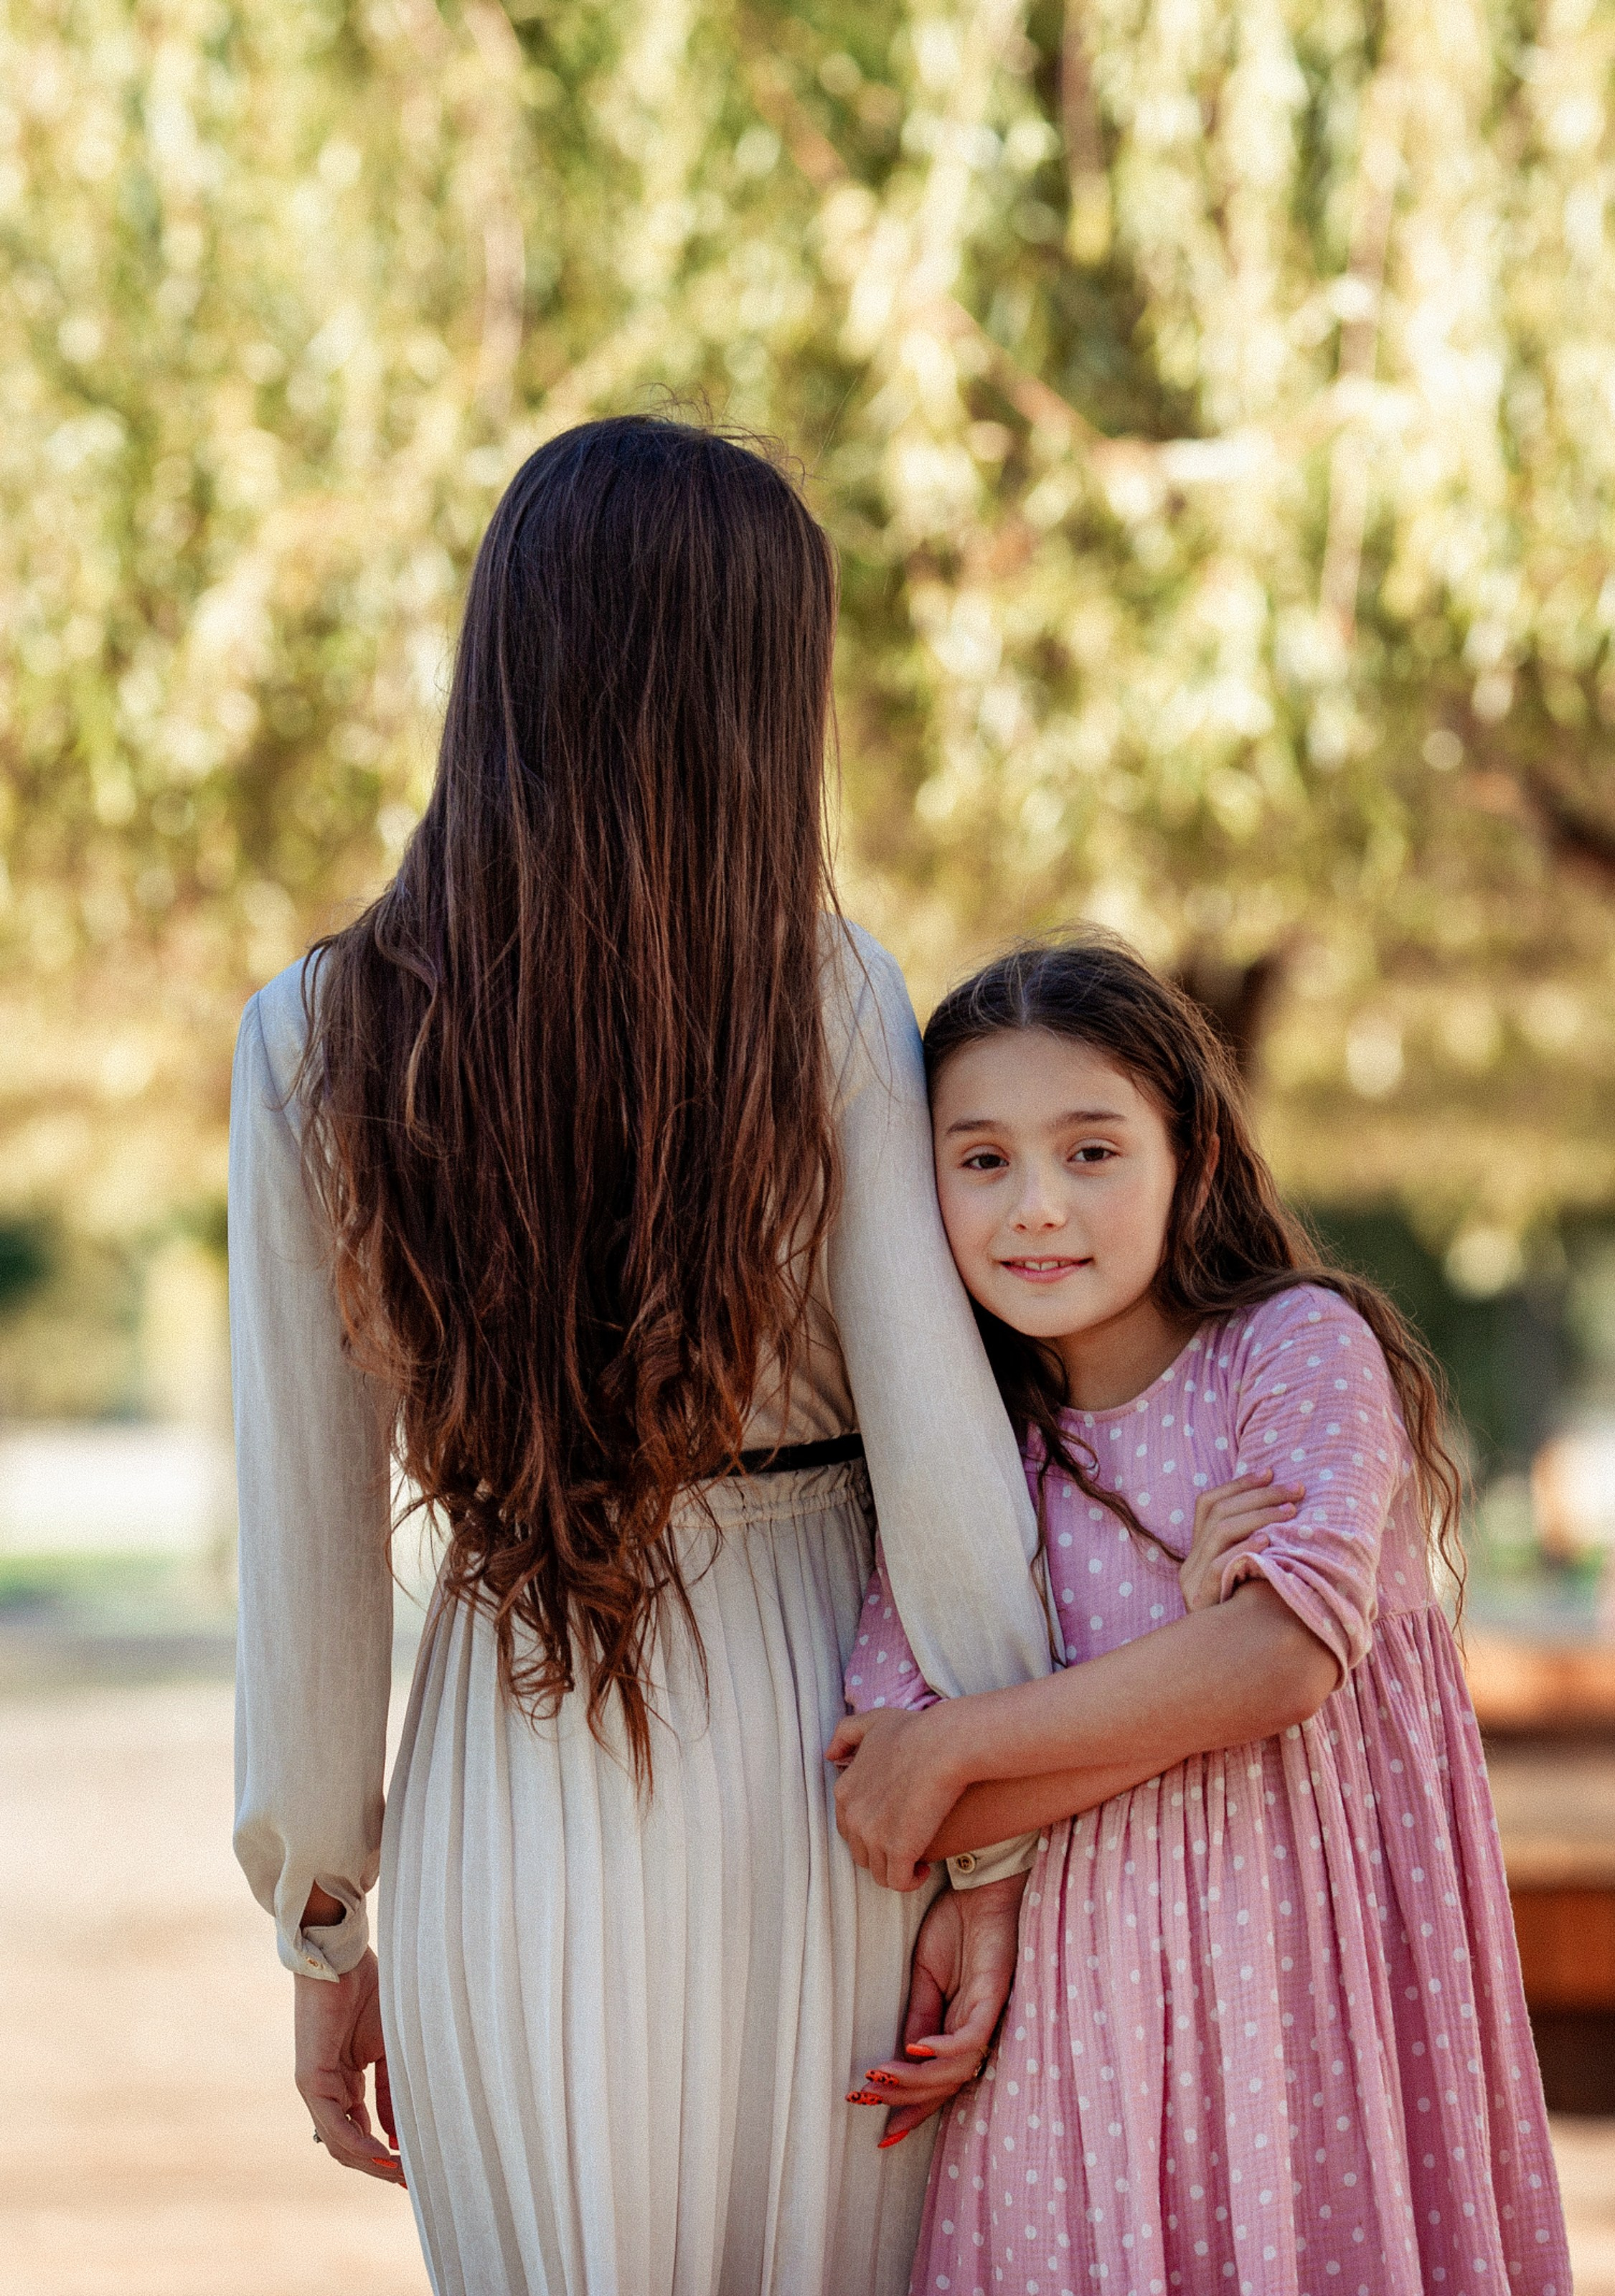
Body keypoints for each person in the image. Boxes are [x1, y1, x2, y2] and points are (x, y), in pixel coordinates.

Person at [227, 416, 1057, 2296]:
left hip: (507, 1766)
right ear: (756, 690)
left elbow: (309, 1549)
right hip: (830, 1766)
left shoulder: (306, 1040)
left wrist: (323, 1924)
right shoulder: (829, 992)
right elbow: (942, 1478)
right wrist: (989, 1855)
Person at [829, 936, 1571, 2293]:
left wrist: (985, 1739)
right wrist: (1190, 1665)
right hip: (1080, 2044)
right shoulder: (965, 1454)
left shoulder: (1296, 1351)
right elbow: (896, 1798)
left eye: (1093, 1151)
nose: (1037, 1208)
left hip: (1311, 2010)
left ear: (1196, 1161)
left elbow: (1284, 1660)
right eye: (982, 1160)